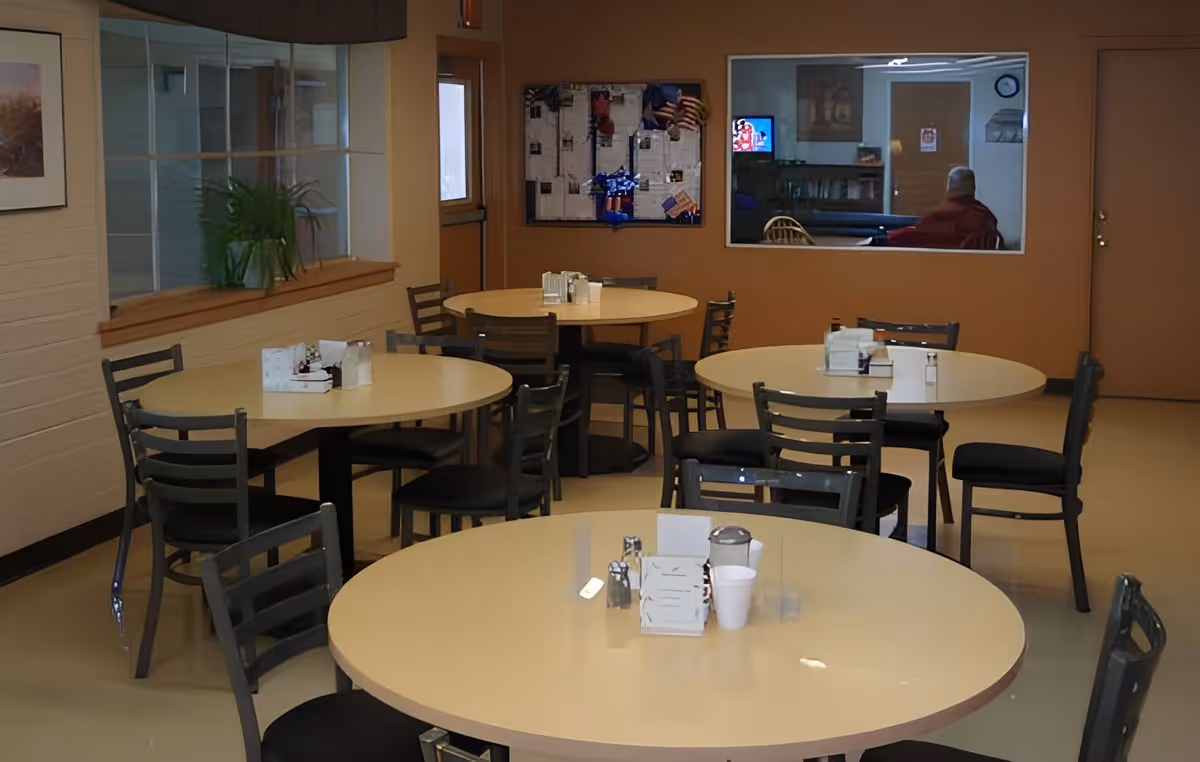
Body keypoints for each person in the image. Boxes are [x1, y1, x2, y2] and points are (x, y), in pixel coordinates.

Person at [886, 167, 1003, 249]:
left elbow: (918, 235)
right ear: (974, 187)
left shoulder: (944, 214)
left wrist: (888, 236)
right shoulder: (986, 215)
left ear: (950, 184)